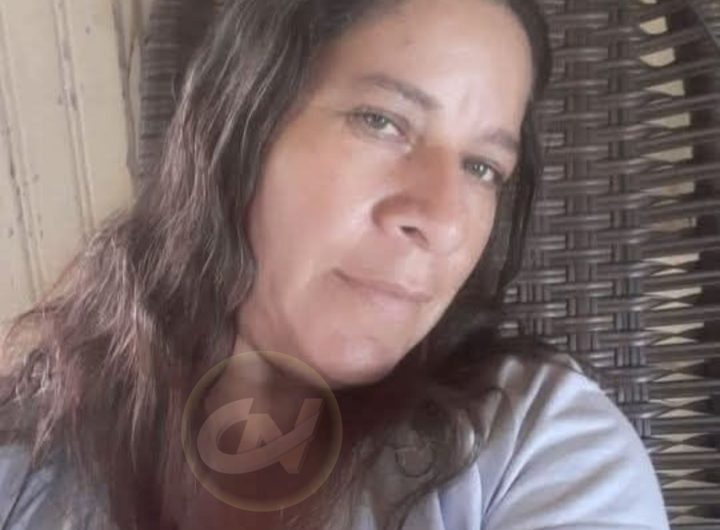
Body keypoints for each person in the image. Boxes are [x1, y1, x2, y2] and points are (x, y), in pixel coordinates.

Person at [0, 0, 670, 529]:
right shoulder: (40, 445)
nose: (442, 220)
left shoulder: (540, 446)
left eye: (482, 167)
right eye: (382, 121)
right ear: (240, 121)